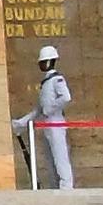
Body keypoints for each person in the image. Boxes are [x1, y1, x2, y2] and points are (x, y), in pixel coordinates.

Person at [34, 44, 76, 189]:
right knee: (50, 157)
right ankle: (56, 184)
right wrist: (22, 122)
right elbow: (40, 108)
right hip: (47, 122)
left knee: (60, 155)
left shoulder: (57, 79)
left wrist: (50, 109)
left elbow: (66, 97)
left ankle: (66, 185)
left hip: (55, 121)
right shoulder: (46, 82)